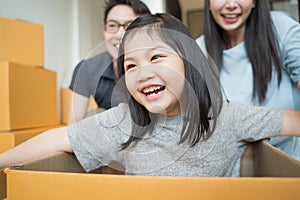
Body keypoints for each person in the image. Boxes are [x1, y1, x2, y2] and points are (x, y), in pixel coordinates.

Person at [1, 13, 300, 177]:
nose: (142, 73)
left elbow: (290, 121)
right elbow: (58, 138)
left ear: (189, 62)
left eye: (156, 57)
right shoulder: (122, 123)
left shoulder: (228, 117)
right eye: (131, 65)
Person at [196, 0, 300, 159]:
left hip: (289, 161)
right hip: (234, 168)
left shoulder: (280, 28)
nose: (230, 4)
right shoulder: (199, 49)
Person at [68, 0, 151, 124]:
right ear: (104, 32)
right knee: (95, 115)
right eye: (112, 26)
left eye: (130, 26)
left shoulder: (158, 66)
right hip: (111, 130)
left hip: (149, 126)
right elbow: (73, 126)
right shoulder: (87, 68)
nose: (120, 34)